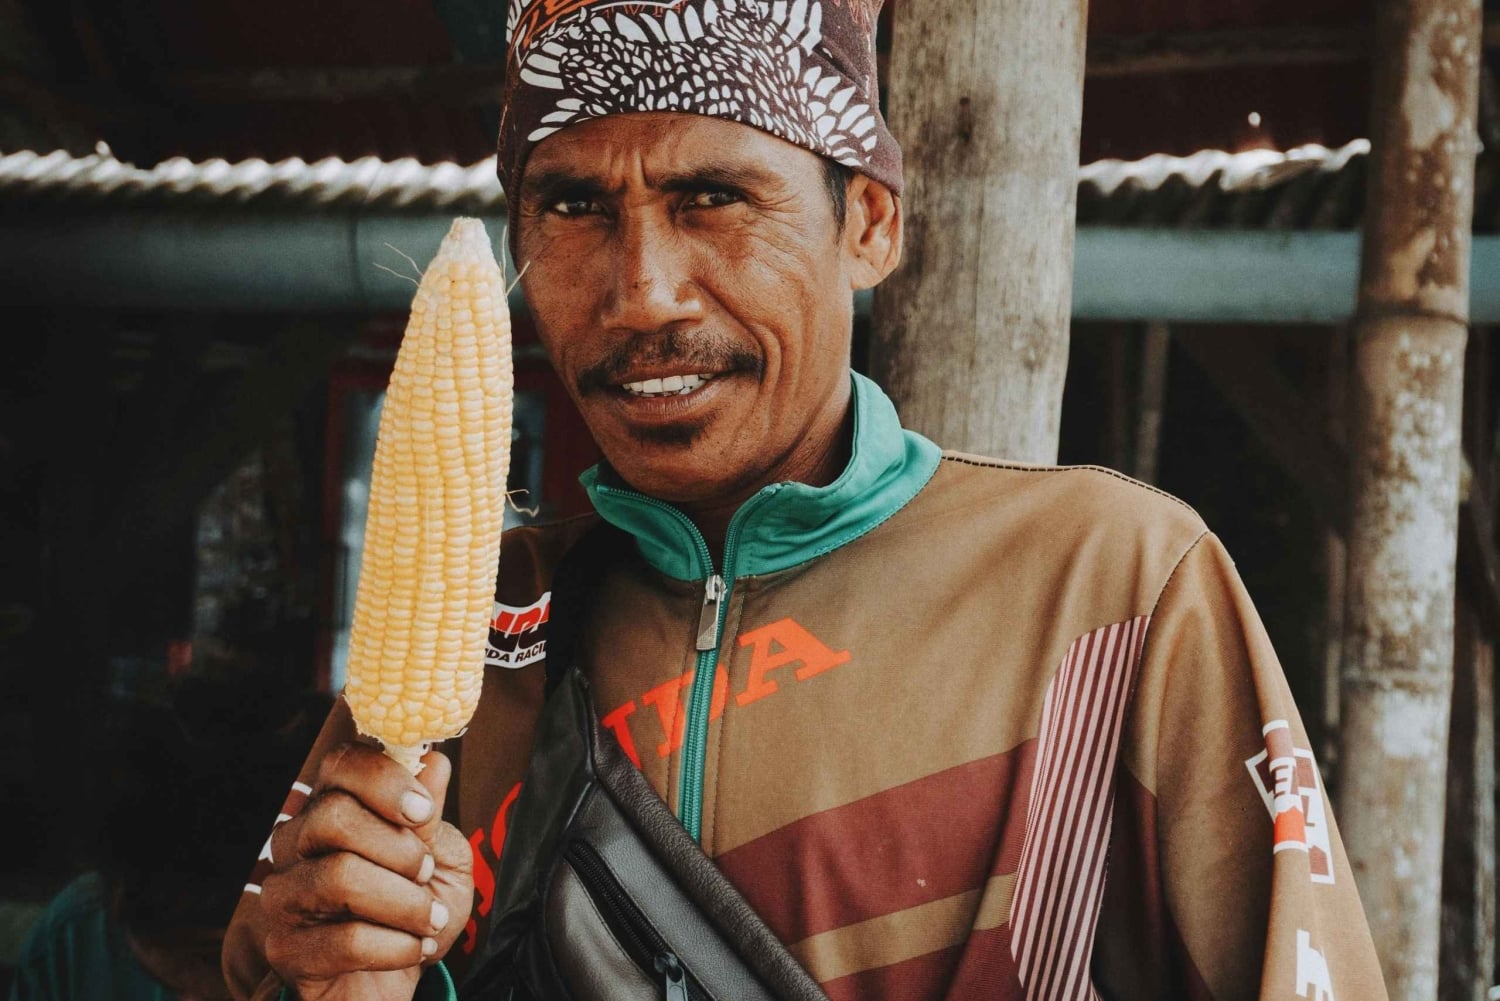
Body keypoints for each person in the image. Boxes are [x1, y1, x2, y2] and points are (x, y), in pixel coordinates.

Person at [223, 1, 1389, 998]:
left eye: (713, 197)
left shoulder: (1114, 585)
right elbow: (295, 953)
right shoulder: (477, 634)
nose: (640, 293)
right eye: (573, 207)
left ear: (868, 222)